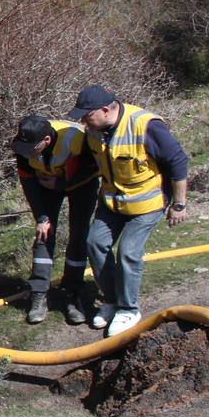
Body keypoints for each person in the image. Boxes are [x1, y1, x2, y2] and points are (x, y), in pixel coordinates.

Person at [69, 85, 189, 337]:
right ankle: (111, 301)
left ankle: (128, 309)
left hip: (146, 205)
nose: (82, 120)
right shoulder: (93, 131)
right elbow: (90, 164)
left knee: (128, 252)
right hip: (112, 203)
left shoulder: (145, 125)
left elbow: (178, 160)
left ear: (104, 109)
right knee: (94, 243)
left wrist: (178, 204)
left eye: (86, 114)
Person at [12, 115, 100, 324]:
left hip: (81, 183)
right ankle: (39, 294)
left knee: (79, 234)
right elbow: (28, 183)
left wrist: (61, 183)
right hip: (47, 183)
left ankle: (72, 293)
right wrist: (41, 217)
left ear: (46, 141)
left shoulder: (78, 140)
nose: (26, 153)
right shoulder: (24, 146)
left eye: (32, 148)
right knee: (44, 233)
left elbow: (94, 168)